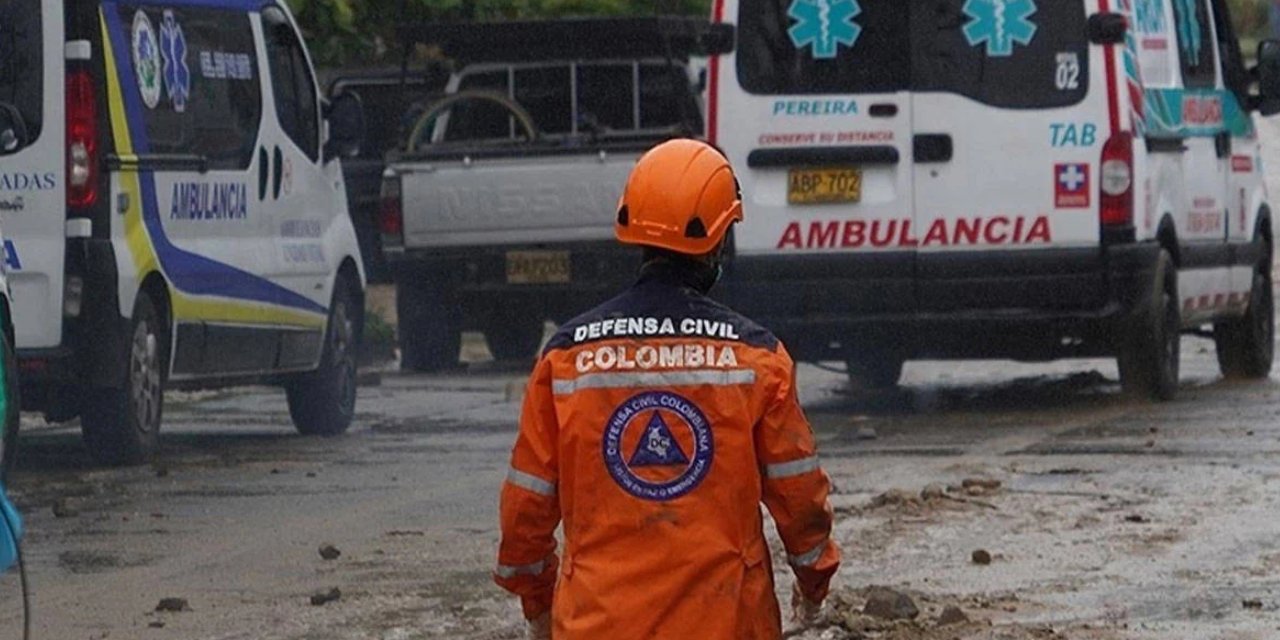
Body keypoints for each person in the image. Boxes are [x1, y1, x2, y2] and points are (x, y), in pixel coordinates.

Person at [494, 139, 841, 639]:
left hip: (597, 626)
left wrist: (538, 607)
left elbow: (525, 516)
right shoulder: (757, 360)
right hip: (726, 622)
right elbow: (800, 502)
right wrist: (813, 585)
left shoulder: (565, 359)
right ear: (720, 240)